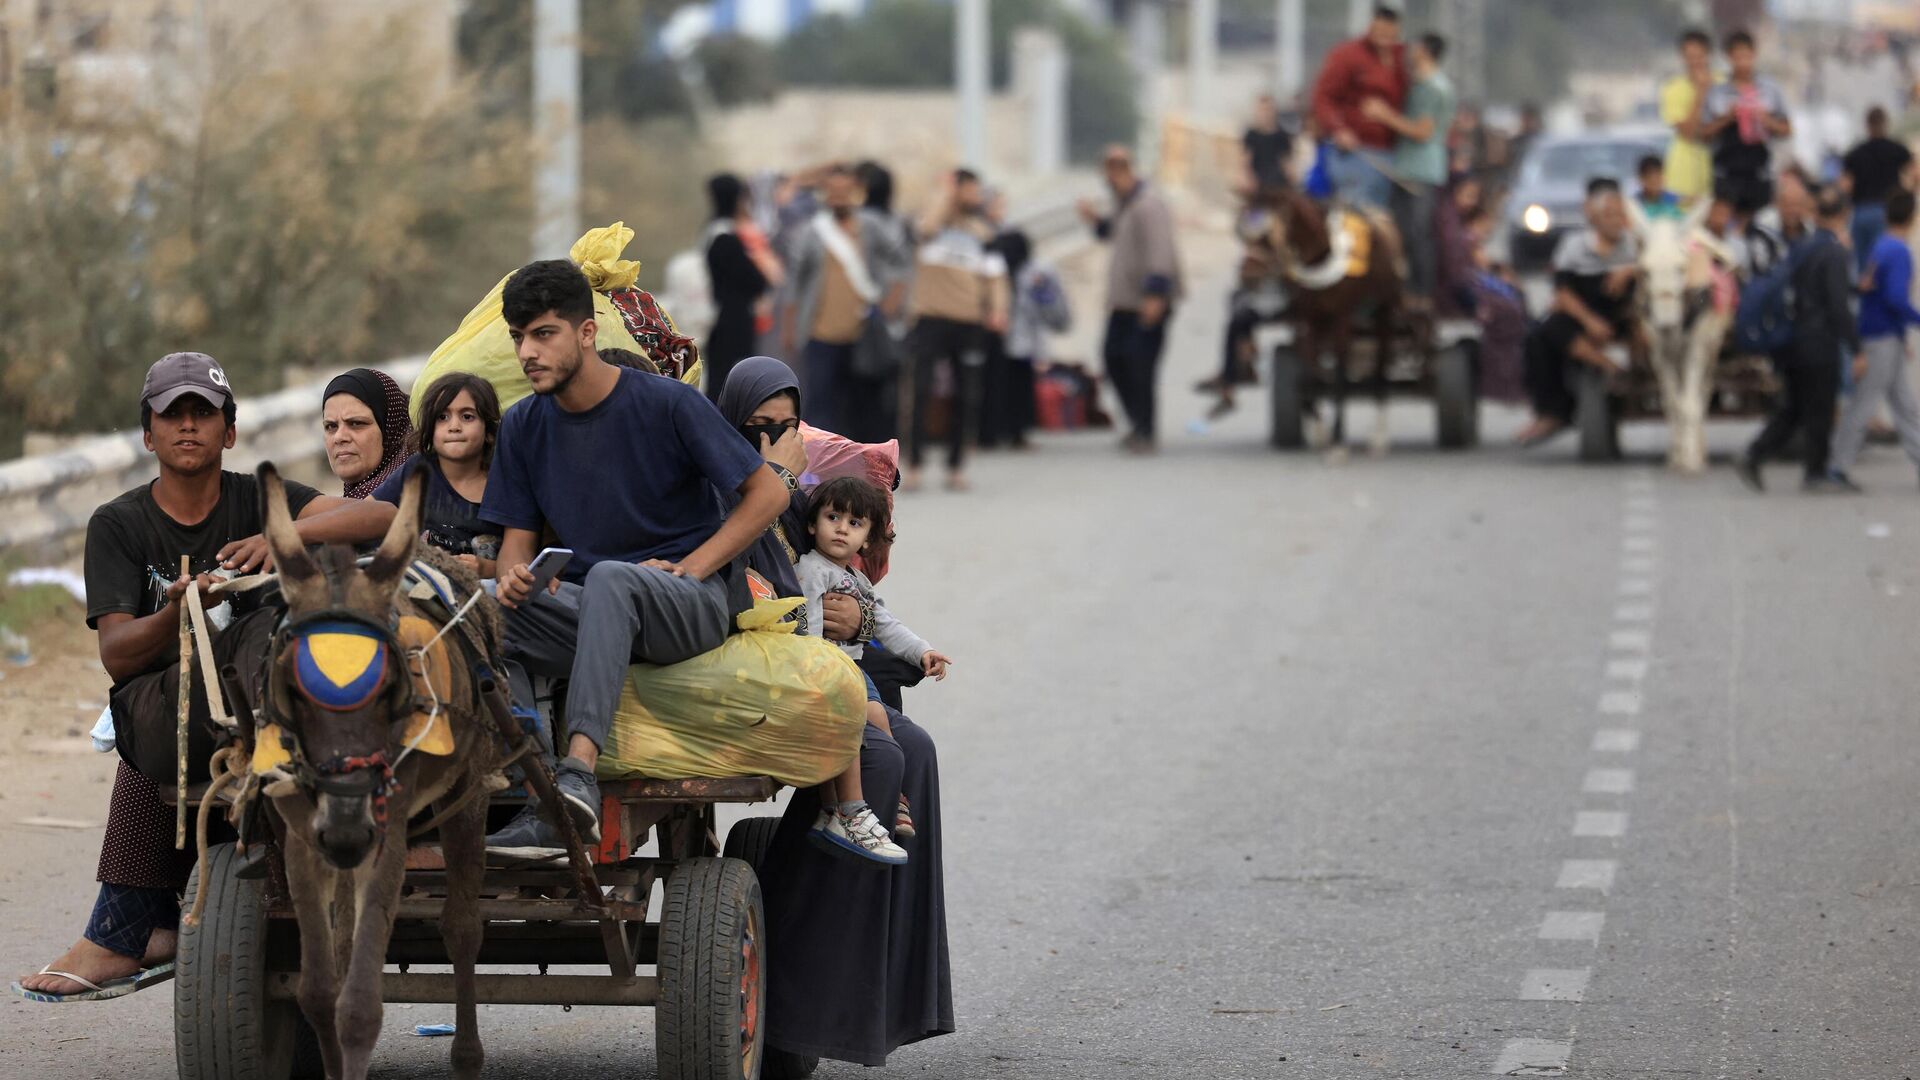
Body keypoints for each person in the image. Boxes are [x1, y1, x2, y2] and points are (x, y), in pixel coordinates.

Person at [15, 353, 396, 1002]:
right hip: (173, 711)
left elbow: (381, 519)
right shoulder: (120, 524)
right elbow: (117, 655)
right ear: (148, 433)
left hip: (269, 707)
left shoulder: (258, 498)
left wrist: (283, 538)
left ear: (230, 432)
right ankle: (125, 929)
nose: (187, 427)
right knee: (183, 689)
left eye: (203, 414)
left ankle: (140, 924)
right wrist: (173, 610)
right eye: (172, 415)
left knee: (286, 644)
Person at [477, 259, 791, 853]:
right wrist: (513, 575)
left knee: (613, 581)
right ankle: (537, 792)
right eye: (518, 337)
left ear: (586, 333)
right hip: (591, 609)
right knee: (481, 609)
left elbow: (768, 493)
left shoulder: (668, 404)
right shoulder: (521, 425)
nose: (528, 352)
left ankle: (578, 775)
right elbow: (516, 541)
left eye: (544, 333)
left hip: (688, 605)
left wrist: (695, 566)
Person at [795, 478, 951, 863]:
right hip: (827, 667)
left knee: (880, 721)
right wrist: (818, 670)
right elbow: (808, 625)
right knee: (873, 719)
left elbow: (886, 623)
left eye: (854, 523)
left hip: (847, 668)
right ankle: (858, 806)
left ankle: (838, 809)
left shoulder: (856, 579)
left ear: (866, 540)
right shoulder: (812, 570)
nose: (842, 528)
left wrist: (922, 652)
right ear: (813, 524)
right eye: (833, 517)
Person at [1738, 188, 1857, 493]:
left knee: (1794, 408)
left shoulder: (1800, 246)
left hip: (1791, 338)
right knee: (1819, 410)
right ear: (1844, 216)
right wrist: (1856, 349)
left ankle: (1754, 454)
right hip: (1819, 342)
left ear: (1815, 216)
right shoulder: (1834, 252)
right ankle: (1815, 473)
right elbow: (1838, 306)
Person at [782, 164, 911, 439]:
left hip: (864, 333)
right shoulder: (812, 232)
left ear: (856, 192)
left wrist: (891, 303)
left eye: (845, 191)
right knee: (821, 407)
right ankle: (821, 473)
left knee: (865, 406)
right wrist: (790, 327)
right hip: (820, 333)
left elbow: (901, 261)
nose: (839, 197)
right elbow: (794, 283)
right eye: (833, 191)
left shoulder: (872, 226)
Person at [905, 168, 1008, 492]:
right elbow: (925, 229)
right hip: (930, 319)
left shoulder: (983, 232)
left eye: (977, 192)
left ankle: (956, 465)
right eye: (969, 191)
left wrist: (999, 310)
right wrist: (947, 197)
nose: (975, 197)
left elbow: (996, 276)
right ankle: (915, 464)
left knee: (967, 395)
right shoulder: (931, 221)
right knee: (920, 391)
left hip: (968, 322)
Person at [1518, 179, 1640, 446]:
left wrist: (1630, 270)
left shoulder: (1635, 245)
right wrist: (1590, 321)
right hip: (1585, 317)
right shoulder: (1574, 245)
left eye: (1620, 215)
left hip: (1626, 316)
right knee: (1541, 333)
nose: (1616, 221)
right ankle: (1555, 409)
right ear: (1594, 218)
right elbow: (1562, 291)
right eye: (1609, 215)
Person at [1078, 145, 1183, 453]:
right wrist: (1094, 221)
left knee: (1141, 366)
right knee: (1114, 359)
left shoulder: (1148, 205)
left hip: (1147, 301)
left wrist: (1155, 295)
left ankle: (1146, 431)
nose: (1111, 176)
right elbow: (1113, 232)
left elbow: (1160, 250)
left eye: (1116, 169)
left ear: (1126, 170)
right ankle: (1137, 422)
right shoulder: (1126, 205)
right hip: (1123, 303)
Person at [1828, 189, 1920, 490]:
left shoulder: (1881, 246)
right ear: (1913, 217)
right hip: (1883, 336)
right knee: (1865, 403)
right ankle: (1837, 466)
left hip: (1881, 333)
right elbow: (1895, 296)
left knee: (1905, 405)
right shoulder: (1899, 251)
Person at [370, 371, 503, 576]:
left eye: (467, 417)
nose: (454, 427)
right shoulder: (418, 470)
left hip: (485, 593)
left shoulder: (504, 480)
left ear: (488, 430)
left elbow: (523, 559)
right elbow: (368, 511)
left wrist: (486, 569)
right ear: (430, 428)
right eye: (442, 417)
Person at [1363, 30, 1454, 310]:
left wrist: (1383, 115)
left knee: (1418, 234)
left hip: (1422, 172)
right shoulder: (1416, 84)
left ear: (1426, 51)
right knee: (1398, 232)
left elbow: (1422, 131)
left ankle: (1422, 294)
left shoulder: (1434, 87)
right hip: (1404, 170)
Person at [1308, 5, 1407, 209]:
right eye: (1381, 32)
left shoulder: (1402, 58)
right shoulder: (1348, 55)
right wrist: (1338, 129)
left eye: (1390, 34)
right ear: (1371, 26)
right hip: (1356, 153)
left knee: (1383, 221)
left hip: (1392, 154)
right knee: (1357, 215)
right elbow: (1322, 97)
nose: (1385, 38)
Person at [703, 172, 783, 400]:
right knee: (731, 382)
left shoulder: (710, 232)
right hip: (732, 319)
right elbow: (756, 280)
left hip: (719, 316)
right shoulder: (726, 237)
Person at [1702, 30, 1792, 217]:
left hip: (1759, 172)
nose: (1742, 62)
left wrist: (1764, 119)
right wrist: (1728, 118)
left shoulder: (1769, 90)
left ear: (1754, 55)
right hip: (1726, 173)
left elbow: (1786, 129)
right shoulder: (1718, 93)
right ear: (1729, 57)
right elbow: (1704, 134)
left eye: (1746, 56)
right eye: (1737, 57)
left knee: (1759, 222)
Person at [1839, 106, 1916, 271]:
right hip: (1886, 211)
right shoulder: (1896, 149)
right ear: (1885, 123)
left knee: (1863, 265)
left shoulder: (1856, 152)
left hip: (1861, 211)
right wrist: (1907, 196)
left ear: (1867, 125)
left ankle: (1866, 294)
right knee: (1887, 263)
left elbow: (1845, 185)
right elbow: (1914, 172)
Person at [321, 367, 413, 498]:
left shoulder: (412, 498)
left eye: (356, 423)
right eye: (331, 426)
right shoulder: (352, 503)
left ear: (391, 429)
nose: (339, 437)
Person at [1660, 27, 1718, 205]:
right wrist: (1701, 92)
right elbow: (1688, 132)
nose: (1695, 62)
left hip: (1717, 170)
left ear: (1708, 55)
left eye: (1699, 56)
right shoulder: (1672, 89)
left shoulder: (1724, 84)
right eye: (1689, 57)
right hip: (1683, 175)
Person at [1242, 92, 1295, 194]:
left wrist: (1291, 176)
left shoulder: (1281, 136)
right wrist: (1247, 177)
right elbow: (1246, 160)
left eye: (1268, 110)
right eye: (1262, 110)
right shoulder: (1251, 135)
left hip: (1278, 181)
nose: (1265, 114)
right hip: (1258, 181)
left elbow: (1286, 161)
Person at [1635, 155, 1685, 220]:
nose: (1654, 181)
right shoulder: (1635, 204)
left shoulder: (1674, 201)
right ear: (1641, 179)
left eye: (1658, 177)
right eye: (1650, 178)